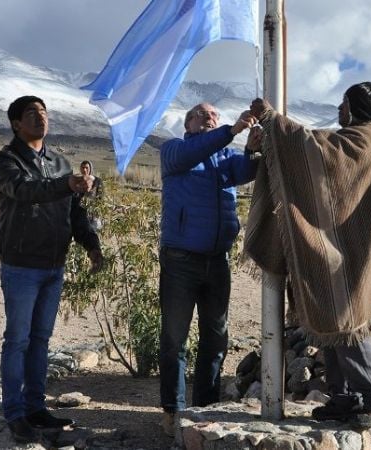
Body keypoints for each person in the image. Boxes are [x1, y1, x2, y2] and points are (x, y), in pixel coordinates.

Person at [246, 82, 371, 429]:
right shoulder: (365, 136)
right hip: (346, 252)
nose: (339, 108)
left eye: (344, 103)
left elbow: (323, 154)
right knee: (332, 323)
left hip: (352, 255)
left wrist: (275, 122)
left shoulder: (367, 139)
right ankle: (345, 398)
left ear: (357, 107)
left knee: (346, 323)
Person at [0, 95, 104, 444]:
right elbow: (24, 191)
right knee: (18, 340)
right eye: (31, 113)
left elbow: (74, 211)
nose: (41, 118)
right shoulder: (5, 161)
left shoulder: (59, 162)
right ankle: (15, 414)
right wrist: (66, 184)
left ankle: (35, 407)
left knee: (40, 340)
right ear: (16, 124)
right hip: (22, 264)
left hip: (54, 265)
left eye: (43, 112)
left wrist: (91, 245)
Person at [158, 103, 260, 436]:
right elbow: (195, 150)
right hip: (180, 261)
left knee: (216, 338)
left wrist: (250, 148)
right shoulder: (174, 150)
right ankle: (174, 410)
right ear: (187, 123)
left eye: (214, 115)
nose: (210, 118)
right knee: (175, 338)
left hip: (217, 261)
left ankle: (204, 408)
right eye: (202, 114)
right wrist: (229, 131)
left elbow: (246, 171)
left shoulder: (222, 159)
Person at [78, 160, 103, 231]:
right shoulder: (77, 181)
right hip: (80, 213)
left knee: (93, 232)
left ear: (90, 169)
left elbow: (100, 198)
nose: (84, 170)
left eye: (86, 168)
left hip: (93, 213)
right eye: (82, 167)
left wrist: (97, 213)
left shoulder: (97, 181)